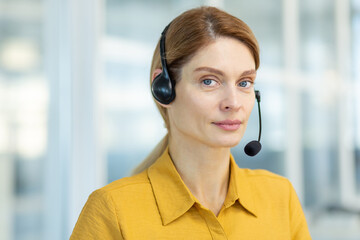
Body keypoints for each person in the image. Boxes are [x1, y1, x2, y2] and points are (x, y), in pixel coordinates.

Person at [70, 6, 311, 239]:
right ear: (163, 88)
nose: (233, 102)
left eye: (244, 82)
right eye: (209, 81)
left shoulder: (280, 197)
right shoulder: (113, 210)